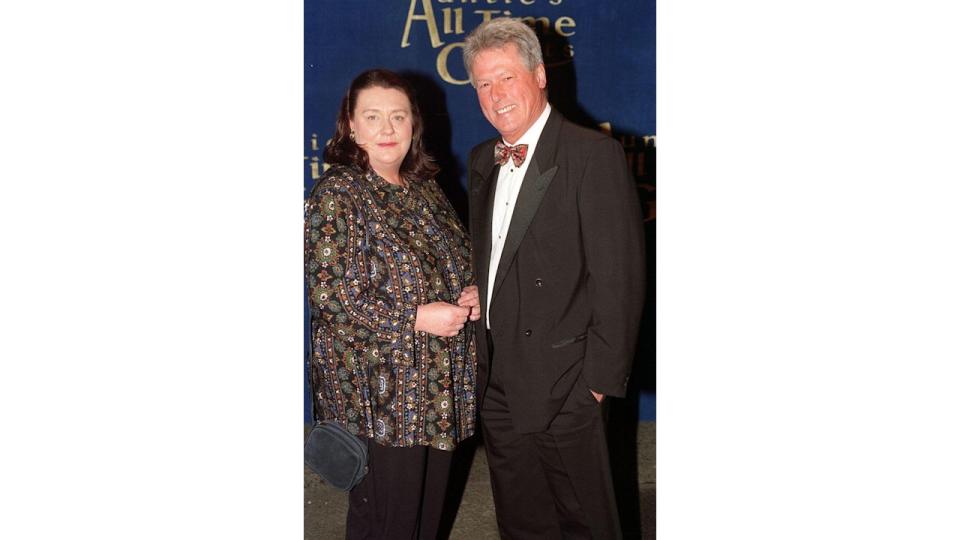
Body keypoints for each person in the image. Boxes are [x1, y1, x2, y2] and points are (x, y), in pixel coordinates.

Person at [458, 18, 646, 539]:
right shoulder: (482, 161)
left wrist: (597, 387)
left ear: (540, 75)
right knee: (520, 522)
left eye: (506, 78)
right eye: (482, 84)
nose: (495, 96)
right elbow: (500, 254)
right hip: (498, 381)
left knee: (585, 524)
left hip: (568, 385)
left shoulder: (591, 155)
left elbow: (620, 278)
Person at [304, 68, 481, 539]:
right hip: (379, 403)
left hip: (436, 395)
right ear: (351, 126)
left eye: (398, 117)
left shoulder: (424, 188)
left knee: (425, 520)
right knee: (386, 522)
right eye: (373, 116)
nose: (387, 129)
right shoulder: (339, 193)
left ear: (413, 126)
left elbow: (457, 262)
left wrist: (472, 293)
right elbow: (331, 299)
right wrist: (417, 317)